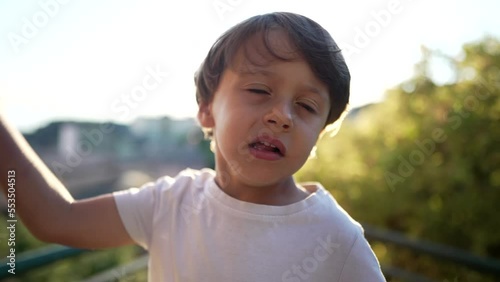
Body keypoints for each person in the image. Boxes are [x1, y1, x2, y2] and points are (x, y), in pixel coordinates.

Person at [0, 12, 386, 281]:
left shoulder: (338, 240)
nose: (282, 115)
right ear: (206, 111)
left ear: (319, 133)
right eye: (258, 89)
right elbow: (54, 219)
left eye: (306, 106)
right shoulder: (171, 203)